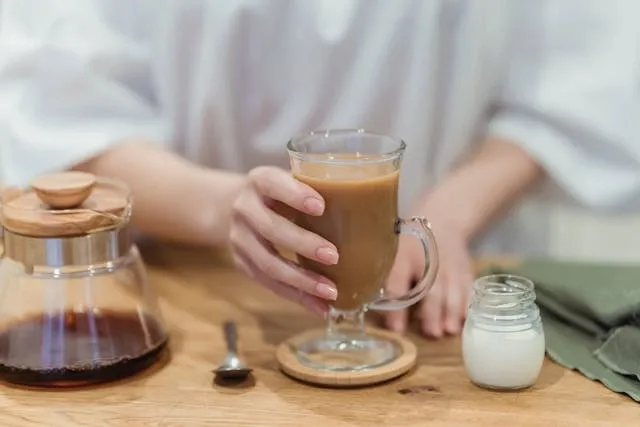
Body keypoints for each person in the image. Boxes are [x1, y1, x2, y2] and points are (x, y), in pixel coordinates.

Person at [1, 0, 639, 339]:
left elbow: (581, 82)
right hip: (202, 294)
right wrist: (223, 207)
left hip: (448, 295)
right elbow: (60, 105)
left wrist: (450, 213)